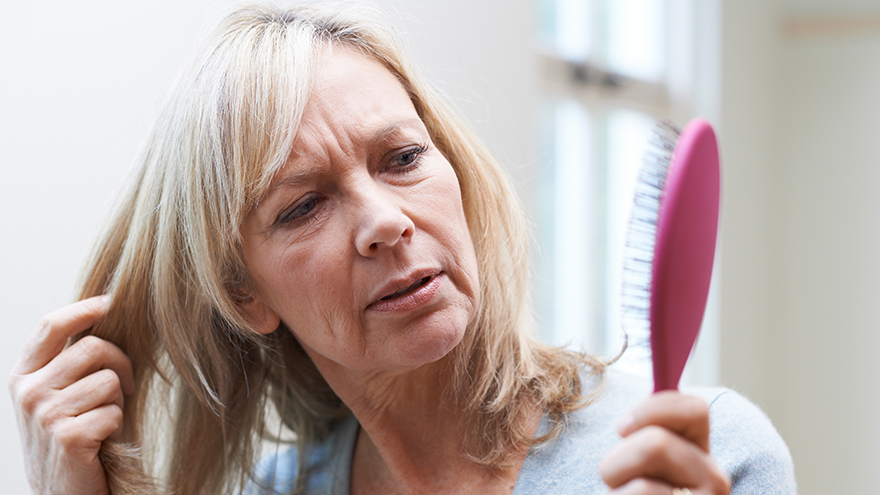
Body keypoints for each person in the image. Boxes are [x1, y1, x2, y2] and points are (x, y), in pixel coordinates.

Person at [8, 3, 796, 495]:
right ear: (245, 295)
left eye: (403, 158)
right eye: (305, 204)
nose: (386, 219)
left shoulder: (711, 456)